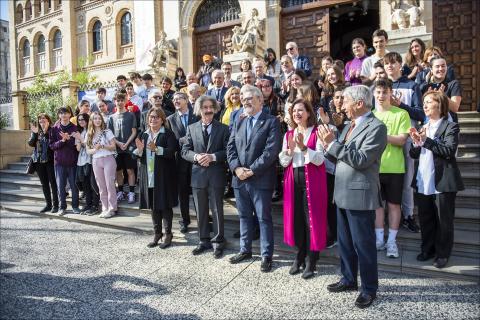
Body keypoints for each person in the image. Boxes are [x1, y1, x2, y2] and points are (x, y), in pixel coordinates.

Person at [318, 85, 387, 309]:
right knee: (346, 243)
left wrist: (333, 144)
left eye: (346, 101)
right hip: (342, 191)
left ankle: (369, 288)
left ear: (359, 103)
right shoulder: (349, 125)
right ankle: (348, 279)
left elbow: (361, 159)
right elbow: (339, 156)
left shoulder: (376, 127)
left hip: (360, 193)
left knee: (363, 245)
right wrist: (327, 144)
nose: (342, 105)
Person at [227, 84, 282, 272]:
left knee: (263, 218)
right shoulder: (239, 120)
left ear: (260, 100)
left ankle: (266, 255)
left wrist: (251, 170)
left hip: (260, 179)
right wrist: (236, 169)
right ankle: (245, 249)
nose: (245, 101)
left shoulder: (271, 121)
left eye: (249, 98)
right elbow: (230, 147)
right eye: (243, 98)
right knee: (244, 216)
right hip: (239, 179)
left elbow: (271, 151)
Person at [409, 91, 464, 269]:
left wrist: (426, 141)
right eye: (423, 102)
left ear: (439, 105)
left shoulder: (450, 126)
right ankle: (427, 249)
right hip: (423, 179)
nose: (424, 105)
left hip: (443, 180)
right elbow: (413, 153)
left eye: (429, 102)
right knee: (425, 218)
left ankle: (442, 254)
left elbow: (448, 151)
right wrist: (416, 142)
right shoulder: (421, 126)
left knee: (443, 220)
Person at [279, 99, 327, 279]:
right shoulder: (288, 134)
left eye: (301, 110)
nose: (297, 114)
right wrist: (290, 152)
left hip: (313, 181)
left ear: (308, 113)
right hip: (293, 180)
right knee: (296, 219)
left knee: (311, 220)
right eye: (294, 111)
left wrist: (304, 148)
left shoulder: (316, 132)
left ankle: (312, 259)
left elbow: (320, 160)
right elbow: (283, 162)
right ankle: (299, 255)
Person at [182, 95, 230, 258]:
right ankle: (203, 241)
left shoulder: (224, 128)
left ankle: (218, 242)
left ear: (215, 109)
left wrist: (213, 157)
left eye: (211, 107)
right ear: (199, 109)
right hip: (198, 176)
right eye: (205, 107)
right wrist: (196, 157)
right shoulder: (191, 128)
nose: (208, 110)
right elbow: (185, 151)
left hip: (216, 175)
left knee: (217, 210)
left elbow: (228, 151)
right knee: (200, 210)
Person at [383, 52, 424, 234]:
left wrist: (401, 106)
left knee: (407, 179)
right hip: (384, 139)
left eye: (393, 63)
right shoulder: (382, 87)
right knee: (383, 177)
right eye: (386, 64)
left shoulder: (411, 85)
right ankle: (385, 215)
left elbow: (420, 113)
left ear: (400, 64)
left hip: (405, 137)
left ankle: (407, 215)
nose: (390, 66)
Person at [372, 79, 411, 258]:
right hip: (374, 168)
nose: (381, 96)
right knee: (378, 206)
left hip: (395, 167)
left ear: (390, 93)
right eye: (378, 92)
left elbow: (402, 140)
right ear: (374, 94)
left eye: (384, 92)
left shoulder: (401, 113)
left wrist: (381, 136)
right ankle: (379, 240)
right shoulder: (370, 115)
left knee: (394, 205)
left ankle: (391, 242)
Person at [134, 107, 178, 249]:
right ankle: (157, 233)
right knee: (153, 206)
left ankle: (168, 234)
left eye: (156, 117)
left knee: (165, 206)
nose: (153, 119)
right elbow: (135, 154)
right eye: (151, 117)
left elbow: (172, 152)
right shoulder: (143, 134)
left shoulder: (168, 134)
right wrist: (139, 151)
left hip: (164, 176)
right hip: (148, 175)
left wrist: (157, 149)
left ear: (162, 119)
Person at [166, 92, 200, 233]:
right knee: (183, 192)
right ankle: (185, 220)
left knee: (199, 191)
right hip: (179, 160)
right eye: (174, 99)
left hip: (197, 159)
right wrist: (184, 140)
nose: (175, 101)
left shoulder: (197, 115)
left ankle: (202, 219)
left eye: (178, 98)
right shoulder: (170, 119)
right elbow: (170, 139)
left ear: (186, 100)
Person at [49, 106, 80, 216]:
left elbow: (77, 145)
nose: (64, 115)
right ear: (59, 115)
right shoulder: (54, 129)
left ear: (70, 115)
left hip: (72, 162)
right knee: (60, 186)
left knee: (74, 186)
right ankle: (62, 207)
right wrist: (62, 140)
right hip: (59, 162)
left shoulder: (75, 128)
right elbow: (52, 146)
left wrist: (69, 140)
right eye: (61, 113)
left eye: (66, 113)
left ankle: (75, 206)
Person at [86, 112, 118, 218]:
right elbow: (88, 151)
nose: (97, 120)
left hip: (108, 158)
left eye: (99, 118)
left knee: (110, 184)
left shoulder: (107, 131)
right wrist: (95, 149)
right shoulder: (89, 134)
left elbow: (113, 146)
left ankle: (112, 209)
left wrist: (103, 146)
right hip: (96, 160)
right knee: (101, 186)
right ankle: (105, 208)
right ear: (92, 120)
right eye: (95, 118)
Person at [108, 92, 138, 204]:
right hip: (117, 148)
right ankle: (120, 192)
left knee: (130, 170)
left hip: (129, 148)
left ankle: (131, 192)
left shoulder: (131, 115)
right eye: (117, 100)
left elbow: (134, 131)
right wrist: (119, 143)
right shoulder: (111, 117)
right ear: (115, 102)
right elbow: (109, 134)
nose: (120, 102)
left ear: (125, 101)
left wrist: (126, 143)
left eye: (122, 100)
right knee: (118, 171)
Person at [28, 113, 58, 213]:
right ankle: (48, 205)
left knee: (53, 183)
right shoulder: (36, 131)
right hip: (39, 161)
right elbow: (31, 144)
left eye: (44, 120)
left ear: (48, 120)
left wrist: (45, 132)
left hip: (50, 160)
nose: (42, 122)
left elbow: (52, 144)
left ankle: (56, 205)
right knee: (44, 184)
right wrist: (35, 133)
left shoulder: (53, 130)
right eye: (40, 121)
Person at [419, 57, 462, 123]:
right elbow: (420, 109)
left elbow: (455, 108)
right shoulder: (424, 87)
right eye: (437, 66)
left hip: (448, 126)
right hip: (428, 125)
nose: (441, 69)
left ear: (446, 68)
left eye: (443, 66)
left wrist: (443, 96)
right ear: (431, 69)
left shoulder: (453, 84)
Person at [73, 113, 100, 215]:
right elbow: (78, 148)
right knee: (84, 184)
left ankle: (95, 205)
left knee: (92, 184)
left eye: (83, 119)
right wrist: (79, 139)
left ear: (87, 120)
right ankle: (88, 205)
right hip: (81, 161)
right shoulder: (79, 132)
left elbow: (90, 146)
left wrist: (80, 139)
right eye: (79, 120)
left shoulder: (91, 131)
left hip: (90, 160)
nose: (81, 121)